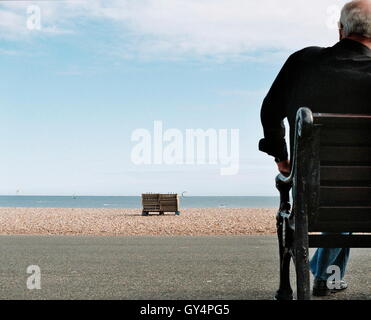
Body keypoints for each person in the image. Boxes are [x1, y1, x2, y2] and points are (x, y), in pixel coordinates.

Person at [259, 0, 371, 296]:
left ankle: (322, 277)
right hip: (366, 198)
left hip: (315, 195)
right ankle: (326, 277)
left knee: (337, 195)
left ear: (340, 29)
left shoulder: (303, 62)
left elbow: (270, 110)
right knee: (353, 188)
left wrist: (282, 157)